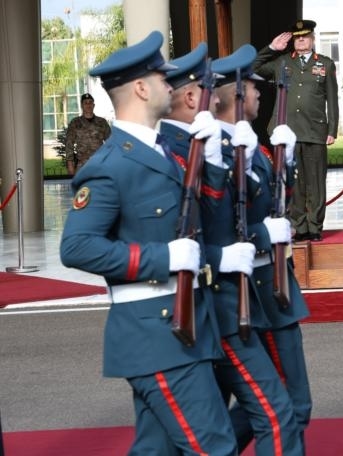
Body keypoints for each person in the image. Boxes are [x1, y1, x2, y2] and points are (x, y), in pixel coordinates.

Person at [59, 31, 239, 455]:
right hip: (155, 333)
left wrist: (213, 164)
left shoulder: (163, 153)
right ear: (141, 88)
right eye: (162, 78)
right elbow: (77, 247)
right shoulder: (111, 164)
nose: (170, 85)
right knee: (215, 446)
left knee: (156, 451)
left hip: (183, 328)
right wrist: (162, 258)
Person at [210, 44, 304, 455]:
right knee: (283, 405)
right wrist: (266, 235)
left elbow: (275, 201)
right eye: (253, 87)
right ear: (235, 94)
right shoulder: (215, 151)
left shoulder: (253, 144)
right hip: (248, 286)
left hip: (273, 283)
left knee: (287, 404)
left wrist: (289, 161)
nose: (259, 94)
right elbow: (224, 222)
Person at [253, 19, 339, 242]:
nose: (301, 40)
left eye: (305, 36)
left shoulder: (326, 64)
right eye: (297, 37)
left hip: (314, 129)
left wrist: (332, 129)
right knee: (295, 182)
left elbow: (332, 99)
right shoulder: (282, 62)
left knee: (316, 181)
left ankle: (315, 226)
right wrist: (271, 48)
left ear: (312, 39)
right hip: (288, 131)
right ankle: (300, 227)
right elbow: (253, 68)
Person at [64, 92, 111, 175]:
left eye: (90, 102)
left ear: (94, 105)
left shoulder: (102, 122)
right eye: (85, 103)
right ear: (82, 106)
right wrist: (70, 164)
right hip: (82, 164)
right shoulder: (75, 123)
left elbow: (111, 142)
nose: (88, 105)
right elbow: (69, 143)